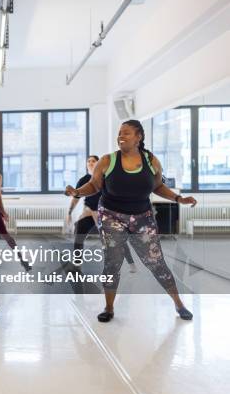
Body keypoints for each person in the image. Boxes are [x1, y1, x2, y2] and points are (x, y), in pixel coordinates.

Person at [65, 120, 197, 322]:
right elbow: (94, 185)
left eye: (126, 133)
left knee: (156, 263)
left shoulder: (150, 160)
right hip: (111, 215)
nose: (121, 136)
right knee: (112, 262)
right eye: (119, 133)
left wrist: (179, 199)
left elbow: (158, 186)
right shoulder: (108, 161)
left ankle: (179, 304)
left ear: (138, 137)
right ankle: (108, 308)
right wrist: (77, 192)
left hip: (142, 217)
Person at [66, 155, 137, 273]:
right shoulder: (83, 180)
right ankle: (77, 264)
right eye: (88, 161)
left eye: (93, 161)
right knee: (79, 229)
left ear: (98, 163)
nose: (90, 163)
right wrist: (69, 212)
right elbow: (76, 197)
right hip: (89, 212)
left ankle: (131, 263)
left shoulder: (106, 178)